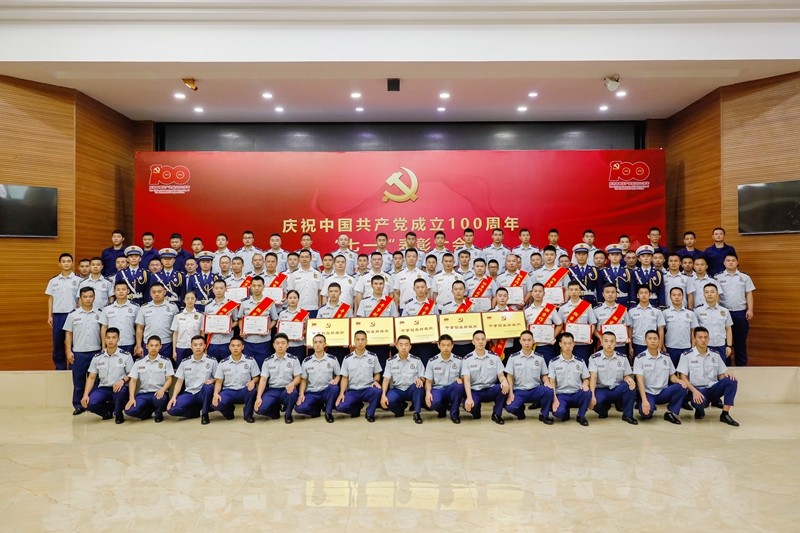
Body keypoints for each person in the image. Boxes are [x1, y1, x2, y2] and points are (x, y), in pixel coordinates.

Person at [677, 327, 740, 426]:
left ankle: (725, 414)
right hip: (698, 390)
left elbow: (720, 375)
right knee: (698, 402)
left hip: (713, 388)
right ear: (694, 339)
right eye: (700, 337)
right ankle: (699, 409)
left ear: (708, 339)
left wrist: (726, 376)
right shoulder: (687, 355)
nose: (703, 340)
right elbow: (683, 377)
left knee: (731, 381)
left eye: (705, 337)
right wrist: (694, 391)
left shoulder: (715, 355)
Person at [633, 330, 687, 424]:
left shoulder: (666, 357)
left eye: (655, 339)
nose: (652, 341)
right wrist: (644, 400)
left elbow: (672, 376)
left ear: (659, 341)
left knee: (681, 386)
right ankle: (646, 405)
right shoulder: (639, 358)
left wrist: (678, 380)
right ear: (645, 341)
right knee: (646, 415)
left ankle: (670, 413)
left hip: (663, 392)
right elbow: (639, 381)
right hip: (648, 393)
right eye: (650, 339)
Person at [80, 327, 133, 423]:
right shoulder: (97, 357)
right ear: (104, 339)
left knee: (121, 393)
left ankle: (118, 414)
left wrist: (123, 381)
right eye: (108, 338)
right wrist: (85, 395)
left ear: (118, 339)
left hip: (119, 387)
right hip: (103, 388)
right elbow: (91, 377)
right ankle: (106, 412)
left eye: (113, 337)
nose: (111, 340)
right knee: (88, 403)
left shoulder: (126, 355)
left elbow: (131, 374)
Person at [64, 286, 102, 414]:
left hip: (95, 352)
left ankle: (93, 404)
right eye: (85, 297)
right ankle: (78, 405)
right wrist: (68, 351)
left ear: (94, 298)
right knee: (78, 381)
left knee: (95, 381)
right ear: (80, 298)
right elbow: (68, 334)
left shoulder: (99, 314)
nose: (88, 299)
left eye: (90, 296)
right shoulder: (73, 315)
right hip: (79, 353)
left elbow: (103, 332)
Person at [504, 331, 554, 424]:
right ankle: (520, 411)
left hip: (535, 389)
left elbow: (544, 374)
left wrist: (546, 381)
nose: (526, 342)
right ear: (520, 341)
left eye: (529, 340)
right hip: (519, 390)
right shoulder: (513, 358)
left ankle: (543, 415)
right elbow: (509, 376)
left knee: (549, 391)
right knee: (510, 407)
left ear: (533, 341)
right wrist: (511, 393)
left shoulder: (539, 358)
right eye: (524, 340)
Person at [166, 335, 217, 424]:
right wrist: (173, 397)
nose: (198, 347)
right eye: (195, 345)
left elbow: (219, 378)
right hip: (190, 393)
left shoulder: (212, 361)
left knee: (208, 387)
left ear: (205, 346)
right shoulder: (184, 362)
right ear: (191, 346)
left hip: (203, 393)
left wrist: (212, 380)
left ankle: (205, 414)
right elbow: (179, 382)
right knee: (171, 409)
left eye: (200, 345)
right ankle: (194, 413)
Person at [589, 331, 638, 424]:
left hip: (616, 389)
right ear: (601, 342)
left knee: (630, 386)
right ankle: (603, 410)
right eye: (606, 341)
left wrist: (628, 379)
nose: (609, 344)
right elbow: (593, 377)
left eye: (612, 341)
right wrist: (592, 395)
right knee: (591, 398)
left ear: (615, 343)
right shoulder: (594, 358)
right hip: (602, 390)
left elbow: (626, 375)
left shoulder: (622, 358)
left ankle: (627, 415)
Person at [715, 254, 755, 366]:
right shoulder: (718, 277)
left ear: (737, 263)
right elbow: (716, 295)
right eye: (728, 260)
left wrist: (750, 309)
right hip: (724, 313)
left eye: (733, 260)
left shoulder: (745, 277)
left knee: (740, 342)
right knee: (724, 342)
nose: (731, 262)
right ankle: (726, 367)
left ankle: (742, 367)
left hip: (740, 313)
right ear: (724, 263)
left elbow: (749, 294)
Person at [461, 330, 509, 424]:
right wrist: (469, 398)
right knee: (470, 406)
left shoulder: (494, 357)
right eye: (477, 339)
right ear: (473, 342)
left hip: (490, 389)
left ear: (486, 341)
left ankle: (496, 414)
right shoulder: (467, 359)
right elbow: (466, 380)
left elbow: (501, 376)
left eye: (483, 339)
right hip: (475, 390)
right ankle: (476, 411)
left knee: (504, 388)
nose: (480, 342)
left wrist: (504, 382)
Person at [124, 336, 174, 423]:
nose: (153, 348)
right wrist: (131, 398)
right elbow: (133, 381)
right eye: (151, 345)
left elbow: (169, 379)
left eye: (156, 345)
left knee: (159, 400)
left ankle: (158, 413)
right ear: (146, 346)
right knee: (129, 411)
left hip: (159, 393)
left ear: (160, 346)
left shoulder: (166, 361)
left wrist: (163, 390)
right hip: (143, 394)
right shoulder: (139, 362)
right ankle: (147, 412)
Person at [335, 331, 383, 422]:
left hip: (367, 389)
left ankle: (370, 413)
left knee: (377, 391)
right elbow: (344, 377)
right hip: (353, 391)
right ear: (354, 341)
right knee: (340, 406)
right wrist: (341, 393)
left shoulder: (373, 357)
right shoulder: (347, 359)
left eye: (362, 339)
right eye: (358, 339)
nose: (360, 342)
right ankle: (356, 410)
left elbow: (377, 373)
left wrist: (376, 381)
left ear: (366, 341)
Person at [254, 333, 302, 423]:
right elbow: (263, 380)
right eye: (278, 343)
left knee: (292, 392)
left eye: (283, 343)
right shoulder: (267, 361)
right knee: (259, 409)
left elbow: (298, 377)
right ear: (274, 345)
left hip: (286, 389)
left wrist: (292, 384)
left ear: (288, 345)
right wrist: (258, 397)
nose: (280, 345)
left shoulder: (294, 360)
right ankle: (275, 412)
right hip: (272, 390)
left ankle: (288, 414)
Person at [211, 337, 260, 422]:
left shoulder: (250, 361)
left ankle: (248, 415)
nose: (235, 348)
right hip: (229, 391)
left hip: (244, 390)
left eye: (238, 345)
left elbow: (257, 377)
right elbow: (219, 381)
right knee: (216, 404)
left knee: (252, 391)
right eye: (233, 346)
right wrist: (215, 394)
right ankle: (229, 411)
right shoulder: (223, 363)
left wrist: (253, 381)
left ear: (242, 347)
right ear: (229, 347)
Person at [547, 333, 591, 426]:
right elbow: (552, 381)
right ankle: (565, 411)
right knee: (559, 413)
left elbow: (586, 378)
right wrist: (554, 399)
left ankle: (581, 416)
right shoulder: (553, 362)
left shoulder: (580, 362)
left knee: (587, 393)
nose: (567, 346)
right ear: (560, 344)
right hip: (561, 394)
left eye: (570, 343)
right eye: (565, 343)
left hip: (576, 393)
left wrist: (585, 384)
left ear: (573, 344)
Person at [295, 334, 341, 423]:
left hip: (326, 391)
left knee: (334, 388)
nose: (318, 344)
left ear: (325, 344)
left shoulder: (332, 359)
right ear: (312, 344)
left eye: (320, 342)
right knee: (299, 408)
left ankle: (328, 412)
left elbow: (338, 375)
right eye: (315, 342)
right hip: (312, 392)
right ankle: (316, 411)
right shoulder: (306, 361)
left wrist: (336, 380)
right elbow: (303, 380)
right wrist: (301, 394)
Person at [46, 252, 80, 370]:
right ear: (59, 264)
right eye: (64, 262)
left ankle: (73, 368)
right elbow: (51, 298)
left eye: (69, 261)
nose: (66, 264)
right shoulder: (53, 280)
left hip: (72, 315)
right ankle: (60, 368)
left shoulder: (78, 280)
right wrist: (49, 315)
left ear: (72, 263)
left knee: (74, 342)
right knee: (58, 342)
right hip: (58, 316)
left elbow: (80, 299)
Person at [380, 335, 425, 423]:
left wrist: (421, 379)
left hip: (411, 389)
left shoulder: (417, 360)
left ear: (410, 347)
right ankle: (400, 409)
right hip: (397, 390)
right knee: (389, 401)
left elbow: (423, 376)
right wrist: (383, 395)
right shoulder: (390, 361)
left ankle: (417, 413)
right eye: (401, 345)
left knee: (419, 387)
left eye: (406, 345)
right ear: (397, 346)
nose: (404, 347)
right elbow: (386, 379)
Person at [237, 275, 280, 367]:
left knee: (263, 366)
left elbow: (275, 319)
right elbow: (240, 318)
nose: (256, 288)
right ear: (250, 286)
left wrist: (267, 328)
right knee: (247, 366)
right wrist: (242, 330)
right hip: (248, 340)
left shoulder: (269, 302)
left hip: (264, 341)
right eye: (254, 286)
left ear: (263, 287)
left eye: (259, 286)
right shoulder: (244, 303)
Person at [424, 334, 465, 424]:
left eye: (448, 345)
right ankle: (441, 409)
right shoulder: (432, 361)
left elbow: (464, 377)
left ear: (452, 346)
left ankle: (454, 414)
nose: (446, 348)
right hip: (438, 389)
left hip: (452, 389)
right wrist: (427, 393)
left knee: (459, 386)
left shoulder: (459, 361)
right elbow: (428, 381)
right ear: (438, 345)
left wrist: (461, 380)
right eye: (443, 345)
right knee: (432, 403)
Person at [523, 283, 564, 364]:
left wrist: (552, 337)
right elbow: (524, 328)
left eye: (540, 291)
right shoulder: (526, 310)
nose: (537, 293)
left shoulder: (550, 308)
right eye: (535, 291)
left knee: (547, 368)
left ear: (544, 293)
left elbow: (559, 325)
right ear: (532, 293)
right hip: (531, 347)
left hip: (547, 346)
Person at [135, 283, 179, 358]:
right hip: (149, 344)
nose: (157, 294)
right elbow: (140, 327)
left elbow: (176, 329)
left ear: (164, 292)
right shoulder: (144, 307)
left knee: (166, 364)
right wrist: (138, 345)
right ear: (150, 293)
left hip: (166, 344)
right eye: (154, 292)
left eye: (159, 291)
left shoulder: (172, 307)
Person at [559, 281, 597, 363]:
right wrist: (564, 338)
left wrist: (588, 337)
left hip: (583, 344)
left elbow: (593, 324)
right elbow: (559, 326)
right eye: (571, 289)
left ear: (580, 291)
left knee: (583, 364)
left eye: (576, 289)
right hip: (567, 345)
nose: (574, 292)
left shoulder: (587, 306)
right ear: (568, 291)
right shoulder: (563, 308)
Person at [694, 284, 733, 362]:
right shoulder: (697, 311)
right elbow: (694, 330)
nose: (709, 294)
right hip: (704, 346)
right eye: (706, 292)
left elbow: (728, 329)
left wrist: (729, 346)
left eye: (712, 292)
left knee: (720, 368)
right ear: (703, 294)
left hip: (720, 346)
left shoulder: (724, 311)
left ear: (717, 294)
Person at [663, 287, 699, 367]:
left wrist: (693, 347)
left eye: (679, 295)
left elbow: (693, 332)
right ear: (670, 297)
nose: (676, 297)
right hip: (670, 347)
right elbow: (661, 331)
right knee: (671, 372)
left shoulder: (690, 313)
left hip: (686, 347)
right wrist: (662, 346)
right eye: (674, 295)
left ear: (683, 296)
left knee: (686, 371)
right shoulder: (665, 313)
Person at [99, 282, 138, 354]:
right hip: (111, 344)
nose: (121, 291)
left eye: (123, 289)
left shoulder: (135, 307)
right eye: (118, 290)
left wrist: (138, 344)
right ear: (114, 291)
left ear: (128, 291)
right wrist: (104, 346)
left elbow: (138, 327)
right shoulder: (107, 308)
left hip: (129, 343)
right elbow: (104, 327)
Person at [628, 286, 666, 358]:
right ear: (637, 295)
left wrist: (660, 346)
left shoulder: (657, 311)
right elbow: (630, 330)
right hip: (637, 344)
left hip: (653, 344)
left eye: (646, 293)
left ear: (650, 295)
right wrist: (630, 347)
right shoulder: (631, 312)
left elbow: (661, 330)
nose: (643, 295)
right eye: (641, 293)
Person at [593, 283, 632, 354]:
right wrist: (600, 337)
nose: (610, 294)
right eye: (607, 292)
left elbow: (628, 327)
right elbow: (593, 328)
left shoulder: (623, 310)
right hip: (603, 344)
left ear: (616, 294)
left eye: (613, 292)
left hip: (620, 344)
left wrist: (630, 346)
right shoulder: (596, 310)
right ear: (603, 294)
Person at [170, 291, 204, 366]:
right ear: (184, 300)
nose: (190, 300)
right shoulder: (178, 316)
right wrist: (174, 351)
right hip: (181, 347)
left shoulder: (200, 315)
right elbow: (175, 334)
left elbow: (202, 333)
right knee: (180, 370)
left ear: (196, 300)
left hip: (196, 348)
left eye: (192, 298)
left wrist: (203, 349)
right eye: (187, 298)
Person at [287, 249, 323, 318]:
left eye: (307, 257)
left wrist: (320, 306)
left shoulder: (318, 274)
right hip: (298, 309)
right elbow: (290, 292)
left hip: (314, 308)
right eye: (302, 257)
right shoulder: (294, 275)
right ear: (299, 259)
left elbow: (320, 292)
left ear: (311, 258)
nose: (304, 259)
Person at [277, 290, 309, 358]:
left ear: (298, 299)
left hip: (299, 345)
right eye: (290, 298)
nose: (292, 300)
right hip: (285, 345)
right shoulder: (282, 314)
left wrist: (300, 334)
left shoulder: (304, 313)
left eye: (295, 298)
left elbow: (308, 328)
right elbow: (279, 330)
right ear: (287, 299)